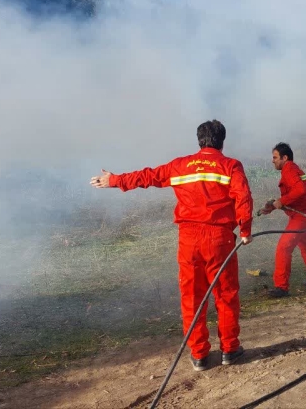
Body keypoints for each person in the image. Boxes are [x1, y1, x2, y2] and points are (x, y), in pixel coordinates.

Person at [90, 120, 254, 372]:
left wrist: (115, 180)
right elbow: (242, 196)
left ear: (199, 140)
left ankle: (199, 355)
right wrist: (245, 230)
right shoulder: (231, 165)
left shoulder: (180, 165)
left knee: (191, 297)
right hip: (220, 239)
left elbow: (148, 176)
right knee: (225, 295)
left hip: (188, 241)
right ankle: (230, 350)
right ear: (222, 140)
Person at [259, 142, 306, 298]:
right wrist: (273, 206)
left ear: (285, 157)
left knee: (284, 247)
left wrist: (281, 202)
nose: (272, 160)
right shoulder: (293, 169)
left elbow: (300, 190)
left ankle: (281, 287)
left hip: (302, 217)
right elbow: (297, 193)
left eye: (275, 157)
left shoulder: (289, 169)